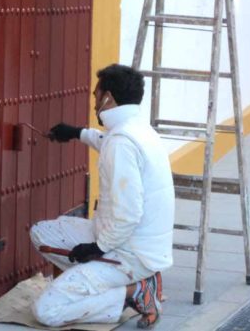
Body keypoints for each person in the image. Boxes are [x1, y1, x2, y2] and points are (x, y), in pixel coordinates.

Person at [29, 64, 175, 329]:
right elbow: (106, 142)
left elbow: (129, 213)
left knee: (46, 311)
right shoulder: (136, 129)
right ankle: (107, 282)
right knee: (42, 233)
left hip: (130, 254)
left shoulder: (122, 143)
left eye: (96, 95)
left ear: (108, 98)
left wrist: (98, 248)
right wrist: (76, 133)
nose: (94, 101)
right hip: (131, 242)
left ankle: (133, 292)